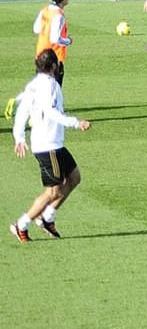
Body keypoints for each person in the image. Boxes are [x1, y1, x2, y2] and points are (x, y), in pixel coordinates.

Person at [10, 48, 91, 241]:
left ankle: (48, 216)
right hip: (48, 144)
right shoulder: (50, 85)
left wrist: (19, 136)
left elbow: (22, 112)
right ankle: (21, 224)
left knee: (74, 177)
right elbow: (51, 111)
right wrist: (75, 122)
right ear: (54, 66)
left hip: (52, 143)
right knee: (53, 191)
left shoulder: (33, 85)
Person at [32, 0, 71, 84]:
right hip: (54, 57)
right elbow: (55, 39)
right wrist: (68, 41)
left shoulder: (45, 10)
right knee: (54, 89)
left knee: (40, 87)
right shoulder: (59, 15)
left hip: (40, 55)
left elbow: (36, 29)